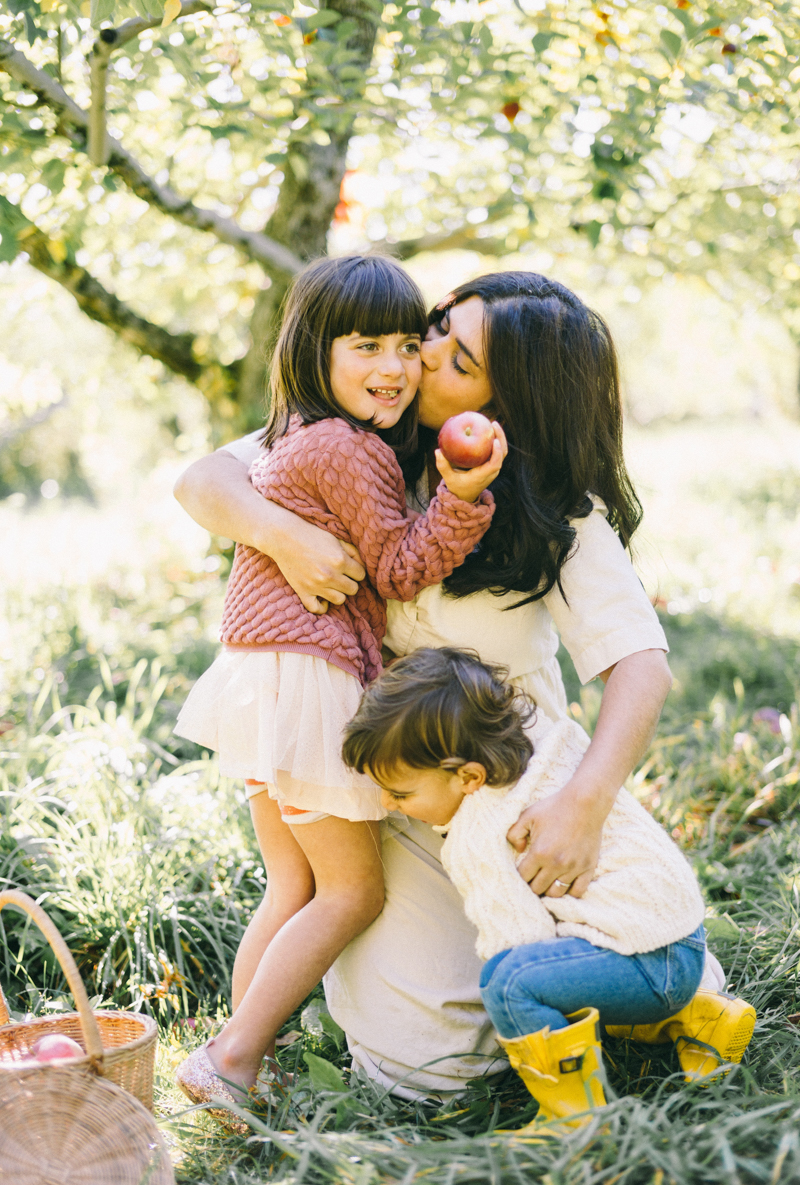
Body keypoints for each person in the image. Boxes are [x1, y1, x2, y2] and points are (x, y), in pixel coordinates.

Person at [174, 269, 723, 1097]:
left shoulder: (550, 507)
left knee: (532, 994)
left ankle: (639, 968)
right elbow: (203, 480)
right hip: (388, 788)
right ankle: (241, 1048)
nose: (417, 358)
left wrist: (584, 804)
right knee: (430, 1066)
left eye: (452, 357)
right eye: (434, 328)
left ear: (504, 404)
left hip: (509, 793)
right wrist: (282, 535)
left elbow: (640, 664)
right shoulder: (357, 431)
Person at [172, 256, 506, 1127]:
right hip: (314, 678)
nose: (394, 367)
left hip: (264, 679)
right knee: (353, 892)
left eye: (407, 344)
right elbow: (398, 568)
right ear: (314, 351)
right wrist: (464, 498)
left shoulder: (296, 436)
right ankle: (232, 1059)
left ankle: (244, 1063)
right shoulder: (349, 447)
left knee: (291, 887)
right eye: (366, 346)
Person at [342, 647, 757, 1135]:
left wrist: (519, 1022)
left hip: (650, 966)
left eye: (402, 793)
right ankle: (702, 1017)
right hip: (683, 941)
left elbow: (521, 940)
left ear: (469, 776)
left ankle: (575, 1119)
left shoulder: (480, 834)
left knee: (511, 980)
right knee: (573, 958)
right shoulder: (550, 744)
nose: (388, 803)